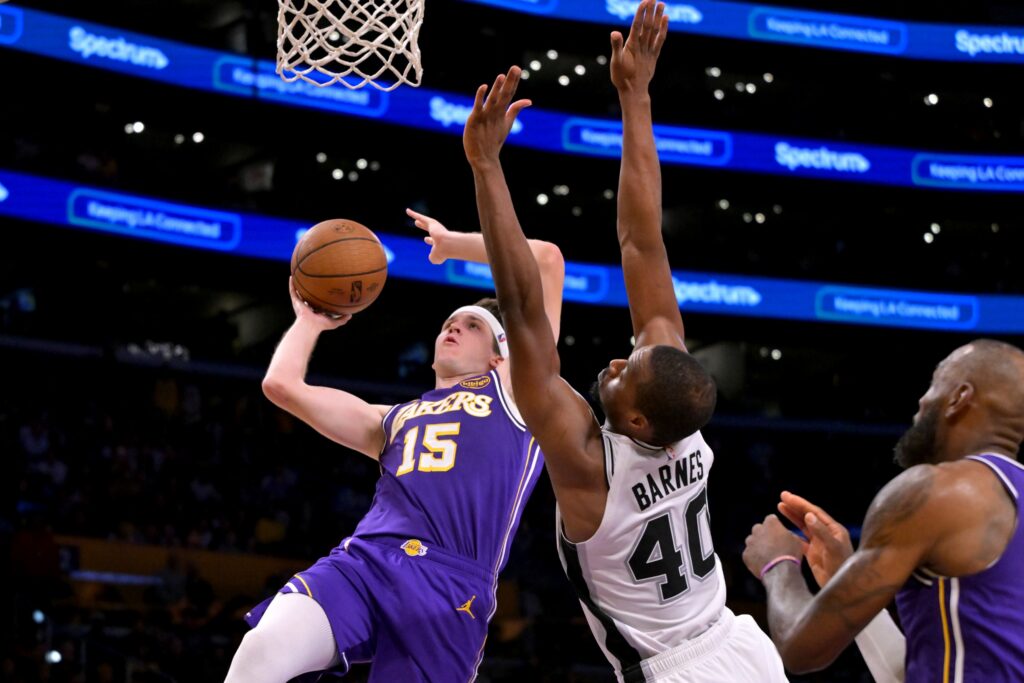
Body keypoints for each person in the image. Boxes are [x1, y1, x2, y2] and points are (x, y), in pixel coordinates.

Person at [462, 2, 787, 681]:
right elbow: (642, 242)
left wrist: (487, 167)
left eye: (621, 372)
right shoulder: (680, 407)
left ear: (637, 418)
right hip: (743, 645)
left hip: (676, 669)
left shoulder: (589, 463)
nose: (613, 360)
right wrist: (635, 95)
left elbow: (521, 308)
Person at [223, 213, 564, 683]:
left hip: (450, 584)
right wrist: (309, 321)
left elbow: (546, 259)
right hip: (366, 560)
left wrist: (451, 244)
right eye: (449, 322)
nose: (453, 327)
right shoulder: (393, 418)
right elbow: (281, 385)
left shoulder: (519, 391)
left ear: (499, 353)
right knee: (261, 650)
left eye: (471, 325)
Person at [743, 339, 1024, 682]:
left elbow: (801, 648)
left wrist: (778, 564)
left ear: (959, 398)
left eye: (936, 382)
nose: (922, 400)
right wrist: (844, 574)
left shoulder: (936, 490)